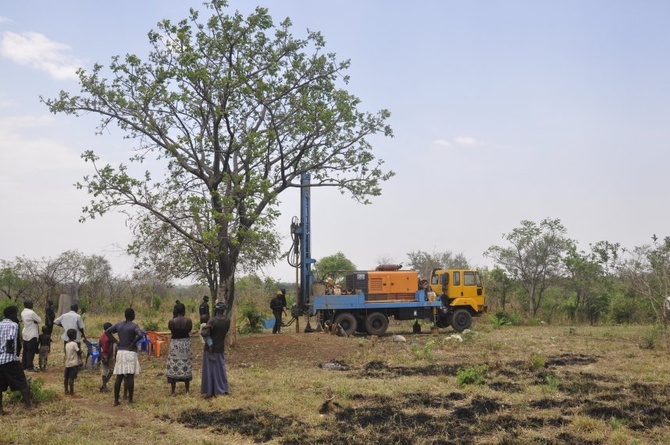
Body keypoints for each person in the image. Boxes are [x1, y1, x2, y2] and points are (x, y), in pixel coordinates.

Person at [105, 308, 143, 406]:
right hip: (130, 352)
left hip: (120, 352)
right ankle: (130, 399)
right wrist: (133, 343)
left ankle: (116, 400)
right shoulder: (134, 326)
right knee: (130, 376)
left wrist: (116, 341)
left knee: (119, 377)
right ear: (132, 315)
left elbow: (107, 332)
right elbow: (140, 335)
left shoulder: (119, 325)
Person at [0, 306, 32, 414]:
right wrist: (13, 354)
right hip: (10, 359)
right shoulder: (14, 325)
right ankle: (28, 407)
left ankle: (1, 410)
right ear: (13, 314)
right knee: (22, 382)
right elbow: (11, 339)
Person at [201, 301, 231, 398]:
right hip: (220, 347)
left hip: (210, 349)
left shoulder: (212, 320)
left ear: (216, 310)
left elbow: (204, 333)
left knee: (210, 370)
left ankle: (210, 391)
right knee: (220, 369)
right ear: (223, 310)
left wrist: (206, 326)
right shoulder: (227, 321)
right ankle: (222, 389)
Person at [167, 304, 193, 396]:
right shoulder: (189, 321)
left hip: (175, 345)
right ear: (184, 310)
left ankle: (173, 391)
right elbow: (189, 330)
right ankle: (187, 391)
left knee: (174, 366)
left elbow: (171, 330)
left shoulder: (171, 321)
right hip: (186, 344)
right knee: (186, 365)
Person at [20, 300, 41, 371]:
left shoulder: (23, 312)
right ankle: (30, 366)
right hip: (32, 334)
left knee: (25, 350)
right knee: (30, 351)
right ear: (29, 305)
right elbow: (39, 320)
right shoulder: (31, 313)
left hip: (25, 332)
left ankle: (24, 365)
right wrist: (35, 321)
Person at [63, 328, 82, 397]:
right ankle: (72, 392)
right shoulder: (74, 344)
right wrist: (80, 349)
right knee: (72, 378)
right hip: (74, 363)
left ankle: (66, 390)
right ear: (74, 335)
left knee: (66, 378)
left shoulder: (67, 344)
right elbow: (79, 352)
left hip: (67, 363)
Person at [98, 322, 115, 393]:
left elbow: (99, 347)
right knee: (111, 370)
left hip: (103, 355)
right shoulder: (110, 337)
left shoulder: (102, 336)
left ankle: (104, 386)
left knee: (104, 371)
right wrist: (108, 357)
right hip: (109, 356)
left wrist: (101, 356)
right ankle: (104, 385)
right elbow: (111, 347)